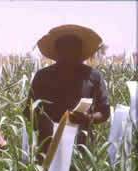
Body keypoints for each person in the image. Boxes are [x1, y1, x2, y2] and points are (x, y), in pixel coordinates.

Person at [24, 24, 110, 160]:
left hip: (81, 147)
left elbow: (104, 112)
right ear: (57, 51)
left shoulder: (93, 76)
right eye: (64, 48)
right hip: (48, 147)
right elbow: (29, 112)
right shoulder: (42, 76)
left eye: (73, 48)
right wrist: (46, 123)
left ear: (80, 51)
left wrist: (87, 119)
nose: (69, 53)